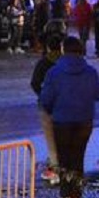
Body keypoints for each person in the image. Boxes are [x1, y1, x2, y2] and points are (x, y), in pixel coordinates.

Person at [38, 35, 99, 198]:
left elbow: (45, 99)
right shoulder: (90, 71)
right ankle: (76, 196)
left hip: (61, 122)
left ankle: (66, 197)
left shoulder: (54, 72)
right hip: (84, 121)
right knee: (78, 157)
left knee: (64, 159)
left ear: (63, 50)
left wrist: (53, 109)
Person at [31, 33, 64, 183]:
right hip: (65, 105)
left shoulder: (44, 63)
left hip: (47, 106)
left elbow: (34, 83)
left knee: (51, 139)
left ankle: (56, 170)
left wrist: (42, 94)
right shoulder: (66, 63)